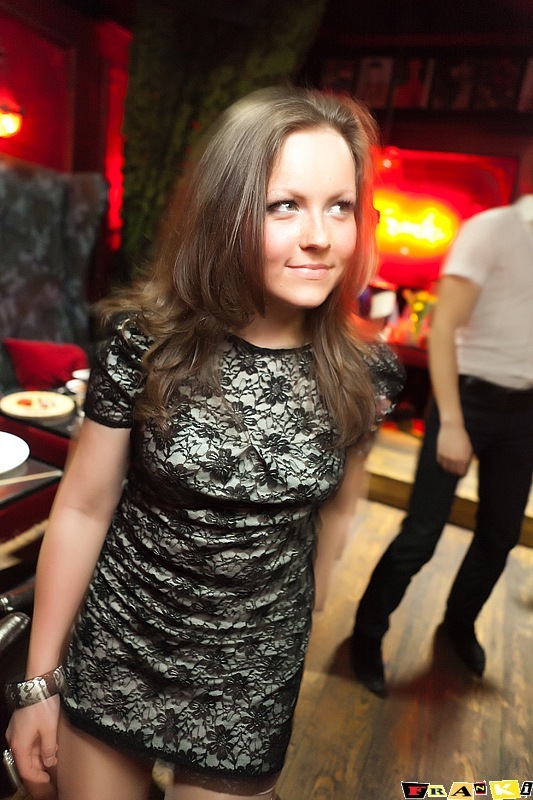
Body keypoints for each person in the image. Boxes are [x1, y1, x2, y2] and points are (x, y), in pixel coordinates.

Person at [5, 86, 403, 800]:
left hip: (251, 678)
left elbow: (341, 499)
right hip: (120, 648)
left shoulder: (367, 372)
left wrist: (313, 594)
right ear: (228, 212)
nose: (320, 235)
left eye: (340, 206)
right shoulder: (145, 344)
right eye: (285, 205)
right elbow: (84, 508)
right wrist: (38, 684)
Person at [350, 171, 533, 698]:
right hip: (468, 400)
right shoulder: (492, 230)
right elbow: (445, 327)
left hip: (524, 412)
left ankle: (459, 623)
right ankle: (366, 634)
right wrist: (452, 423)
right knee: (421, 534)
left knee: (500, 536)